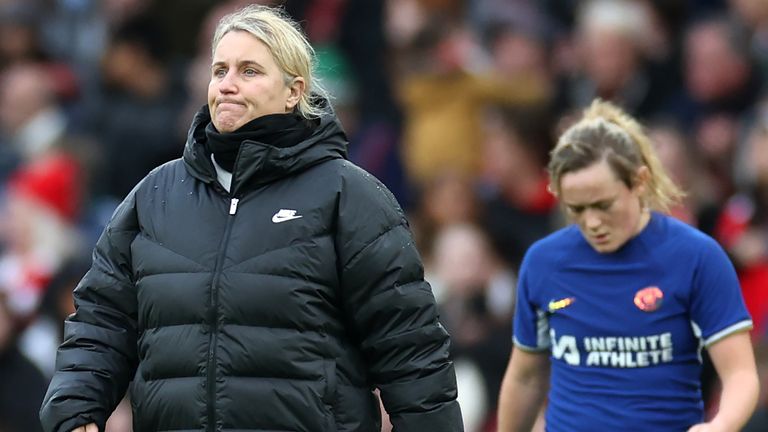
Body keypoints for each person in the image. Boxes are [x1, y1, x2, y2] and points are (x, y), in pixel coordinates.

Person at [39, 5, 463, 432]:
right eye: (219, 70)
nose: (227, 85)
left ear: (294, 91)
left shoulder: (350, 197)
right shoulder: (154, 197)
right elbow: (100, 322)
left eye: (249, 71)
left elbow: (411, 352)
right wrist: (75, 413)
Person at [497, 99, 759, 431]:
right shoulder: (544, 262)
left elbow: (740, 374)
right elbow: (525, 377)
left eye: (603, 204)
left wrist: (721, 425)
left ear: (638, 182)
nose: (591, 222)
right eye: (576, 209)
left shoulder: (696, 257)